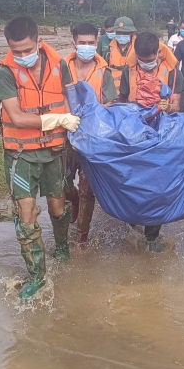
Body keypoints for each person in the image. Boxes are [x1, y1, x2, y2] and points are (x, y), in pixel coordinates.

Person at [0, 16, 81, 299]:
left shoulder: (60, 65)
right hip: (20, 154)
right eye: (15, 51)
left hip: (54, 151)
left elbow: (72, 103)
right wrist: (55, 119)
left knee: (57, 207)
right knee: (26, 214)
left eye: (27, 50)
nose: (21, 57)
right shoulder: (5, 73)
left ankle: (63, 246)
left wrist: (71, 121)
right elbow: (17, 116)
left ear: (39, 43)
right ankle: (37, 277)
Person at [118, 32, 184, 252]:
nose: (146, 64)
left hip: (162, 139)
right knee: (132, 182)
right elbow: (122, 102)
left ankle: (152, 236)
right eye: (142, 60)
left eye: (150, 60)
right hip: (135, 136)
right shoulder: (128, 72)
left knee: (158, 186)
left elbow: (178, 106)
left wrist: (169, 106)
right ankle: (132, 223)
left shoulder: (173, 73)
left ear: (158, 52)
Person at [62, 22, 118, 245]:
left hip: (92, 139)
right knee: (63, 184)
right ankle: (72, 201)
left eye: (91, 43)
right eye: (82, 43)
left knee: (88, 189)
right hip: (64, 136)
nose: (87, 47)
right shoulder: (60, 67)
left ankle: (81, 238)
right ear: (73, 43)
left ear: (97, 43)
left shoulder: (104, 72)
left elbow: (111, 104)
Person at [107, 16, 139, 91]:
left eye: (125, 33)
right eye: (118, 32)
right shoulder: (108, 51)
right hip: (114, 92)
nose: (121, 35)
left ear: (131, 33)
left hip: (134, 90)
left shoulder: (139, 48)